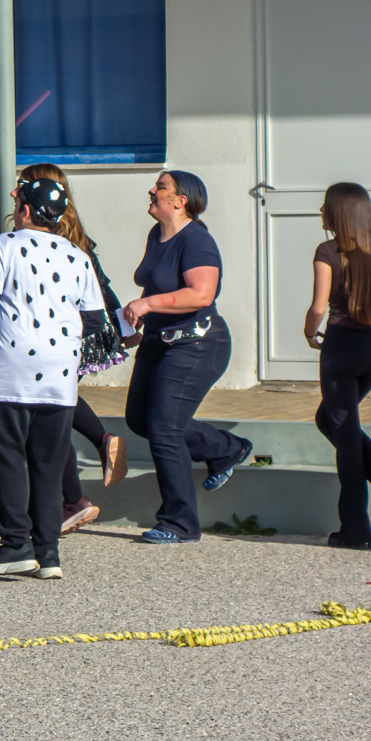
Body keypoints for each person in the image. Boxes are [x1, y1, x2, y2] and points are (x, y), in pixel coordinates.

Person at [0, 175, 108, 579]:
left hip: (11, 367)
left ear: (25, 209)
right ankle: (48, 554)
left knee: (9, 455)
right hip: (60, 372)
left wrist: (17, 327)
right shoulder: (77, 255)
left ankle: (15, 544)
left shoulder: (5, 245)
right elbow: (95, 318)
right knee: (48, 462)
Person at [122, 171, 253, 545]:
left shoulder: (197, 241)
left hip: (196, 344)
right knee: (139, 419)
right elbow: (157, 283)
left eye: (161, 187)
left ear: (181, 201)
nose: (152, 190)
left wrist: (148, 304)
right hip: (157, 341)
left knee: (165, 429)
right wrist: (135, 322)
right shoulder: (157, 235)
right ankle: (227, 448)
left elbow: (201, 294)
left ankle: (180, 523)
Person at [20, 163, 130, 536]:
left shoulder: (42, 231)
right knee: (57, 408)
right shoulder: (72, 229)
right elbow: (100, 282)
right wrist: (125, 326)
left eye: (22, 184)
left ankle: (75, 496)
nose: (16, 190)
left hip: (60, 330)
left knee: (50, 411)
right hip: (85, 327)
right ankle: (79, 487)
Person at [304, 182, 371, 550]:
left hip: (341, 350)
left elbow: (319, 307)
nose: (321, 211)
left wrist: (309, 332)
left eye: (325, 206)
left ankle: (355, 531)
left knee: (346, 441)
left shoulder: (327, 251)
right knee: (330, 421)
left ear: (339, 213)